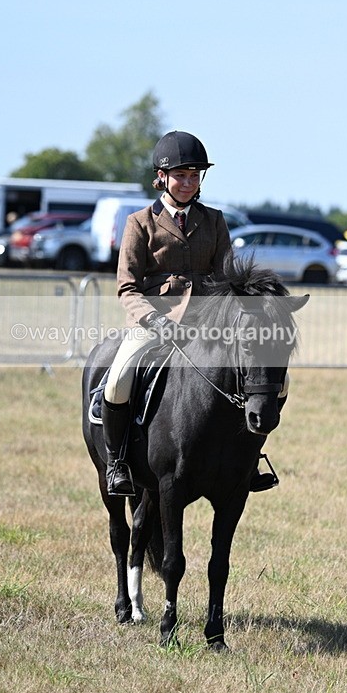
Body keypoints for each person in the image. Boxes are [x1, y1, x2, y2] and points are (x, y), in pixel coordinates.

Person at [102, 130, 277, 496]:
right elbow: (127, 287)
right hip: (154, 321)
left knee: (270, 378)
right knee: (119, 377)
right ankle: (118, 463)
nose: (187, 183)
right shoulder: (139, 222)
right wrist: (154, 320)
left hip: (209, 323)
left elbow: (228, 277)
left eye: (194, 176)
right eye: (180, 175)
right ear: (161, 176)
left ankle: (251, 459)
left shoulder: (214, 220)